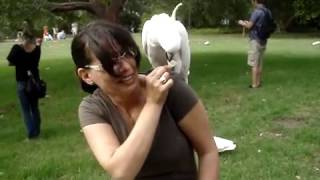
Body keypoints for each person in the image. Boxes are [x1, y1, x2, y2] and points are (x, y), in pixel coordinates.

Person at [71, 20, 219, 179]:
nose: (127, 66)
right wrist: (153, 104)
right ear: (86, 75)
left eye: (127, 53)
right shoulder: (93, 108)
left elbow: (208, 151)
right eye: (111, 62)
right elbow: (121, 172)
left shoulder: (170, 87)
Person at [7, 34, 43, 139]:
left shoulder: (17, 49)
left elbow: (10, 61)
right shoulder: (36, 50)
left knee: (26, 110)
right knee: (34, 108)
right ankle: (37, 131)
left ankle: (32, 134)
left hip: (22, 81)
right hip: (34, 82)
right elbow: (36, 62)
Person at [238, 0, 273, 88]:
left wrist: (242, 23)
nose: (251, 2)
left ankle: (254, 84)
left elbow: (249, 26)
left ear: (255, 1)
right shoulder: (267, 11)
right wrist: (248, 23)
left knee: (254, 63)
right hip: (264, 39)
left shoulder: (257, 11)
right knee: (260, 63)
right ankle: (258, 82)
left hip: (255, 39)